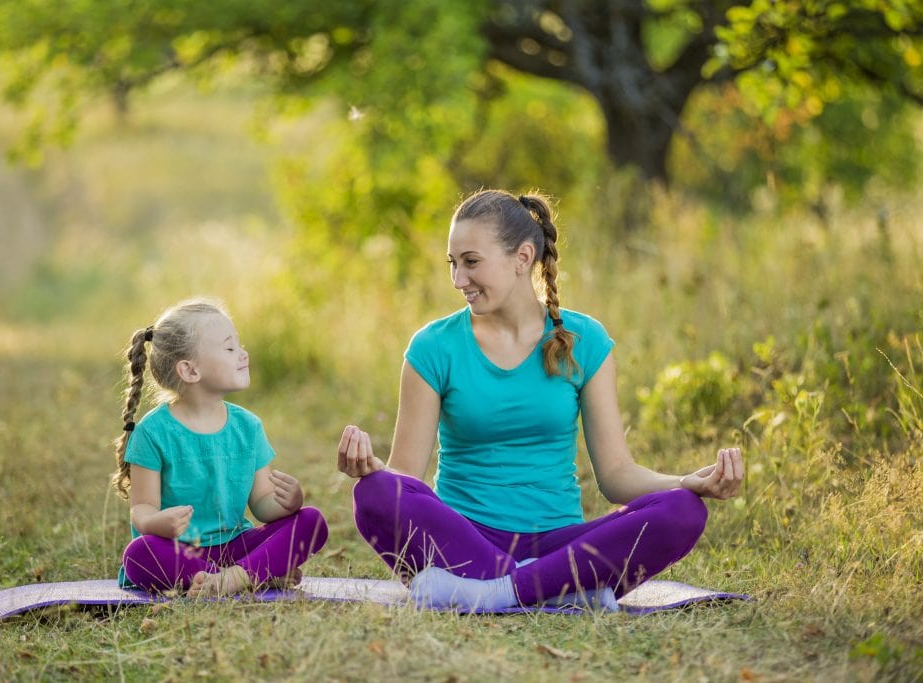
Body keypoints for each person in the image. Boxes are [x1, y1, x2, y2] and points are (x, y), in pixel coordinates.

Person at [337, 189, 744, 611]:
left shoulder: (585, 342)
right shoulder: (433, 347)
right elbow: (408, 479)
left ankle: (496, 592)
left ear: (523, 257)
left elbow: (616, 475)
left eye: (471, 262)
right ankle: (554, 590)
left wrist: (685, 483)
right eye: (452, 264)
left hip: (557, 542)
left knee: (683, 511)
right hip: (465, 536)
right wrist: (373, 469)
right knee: (376, 494)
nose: (459, 280)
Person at [112, 298, 328, 596]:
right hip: (182, 552)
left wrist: (288, 503)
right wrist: (156, 522)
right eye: (230, 348)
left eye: (239, 345)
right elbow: (142, 509)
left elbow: (263, 503)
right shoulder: (153, 432)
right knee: (139, 554)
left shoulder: (248, 427)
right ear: (190, 370)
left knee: (311, 521)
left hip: (238, 547)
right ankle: (255, 574)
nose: (243, 354)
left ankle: (233, 578)